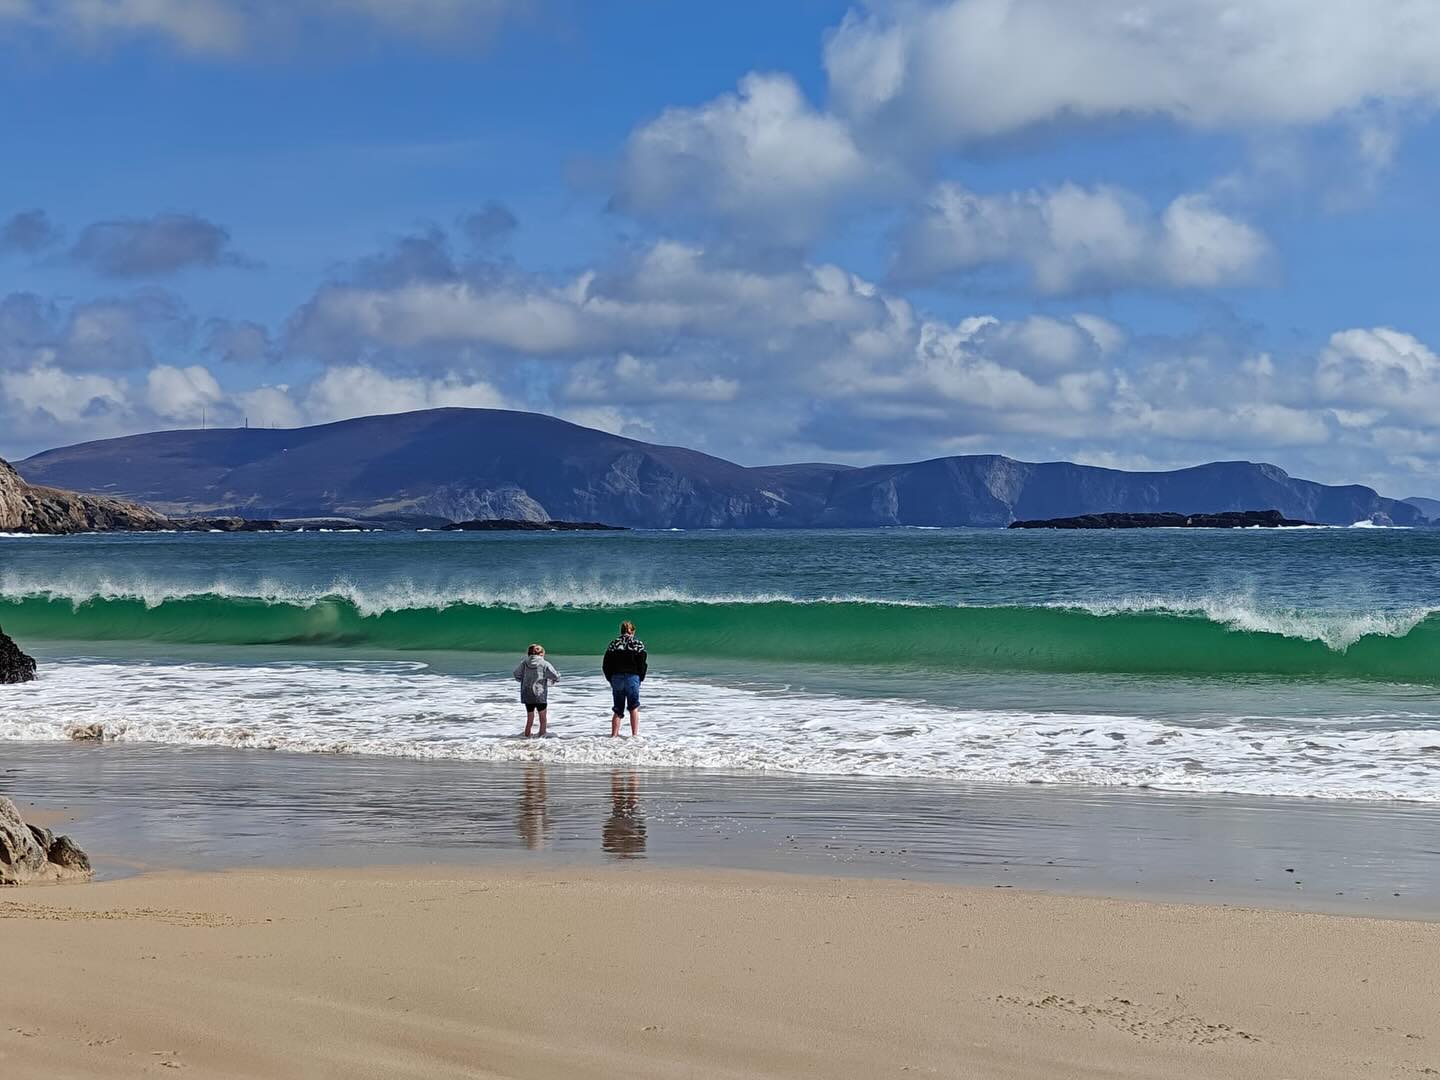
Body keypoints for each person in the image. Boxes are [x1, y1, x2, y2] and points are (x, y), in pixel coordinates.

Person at [602, 620, 647, 737]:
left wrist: (610, 678)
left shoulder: (613, 644)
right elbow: (642, 664)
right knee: (633, 707)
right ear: (633, 631)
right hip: (632, 677)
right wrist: (640, 677)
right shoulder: (638, 644)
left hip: (616, 677)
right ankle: (634, 735)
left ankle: (614, 736)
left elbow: (606, 664)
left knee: (618, 709)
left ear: (621, 631)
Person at [513, 643, 560, 737]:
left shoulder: (524, 663)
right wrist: (555, 678)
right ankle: (541, 737)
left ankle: (526, 737)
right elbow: (555, 676)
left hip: (527, 695)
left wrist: (522, 679)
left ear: (528, 654)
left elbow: (516, 674)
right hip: (540, 695)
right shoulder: (545, 663)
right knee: (543, 718)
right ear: (542, 654)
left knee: (530, 718)